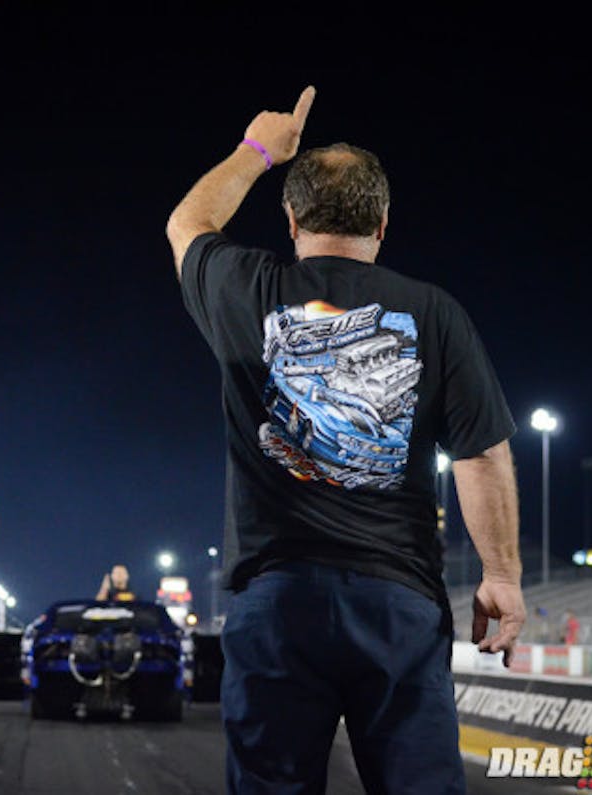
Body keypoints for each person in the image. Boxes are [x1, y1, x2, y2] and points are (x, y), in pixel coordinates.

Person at [165, 86, 526, 794]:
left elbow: (189, 221)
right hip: (397, 605)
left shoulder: (246, 288)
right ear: (384, 224)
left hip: (278, 601)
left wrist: (258, 149)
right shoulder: (435, 312)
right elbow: (482, 452)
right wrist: (502, 575)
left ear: (291, 218)